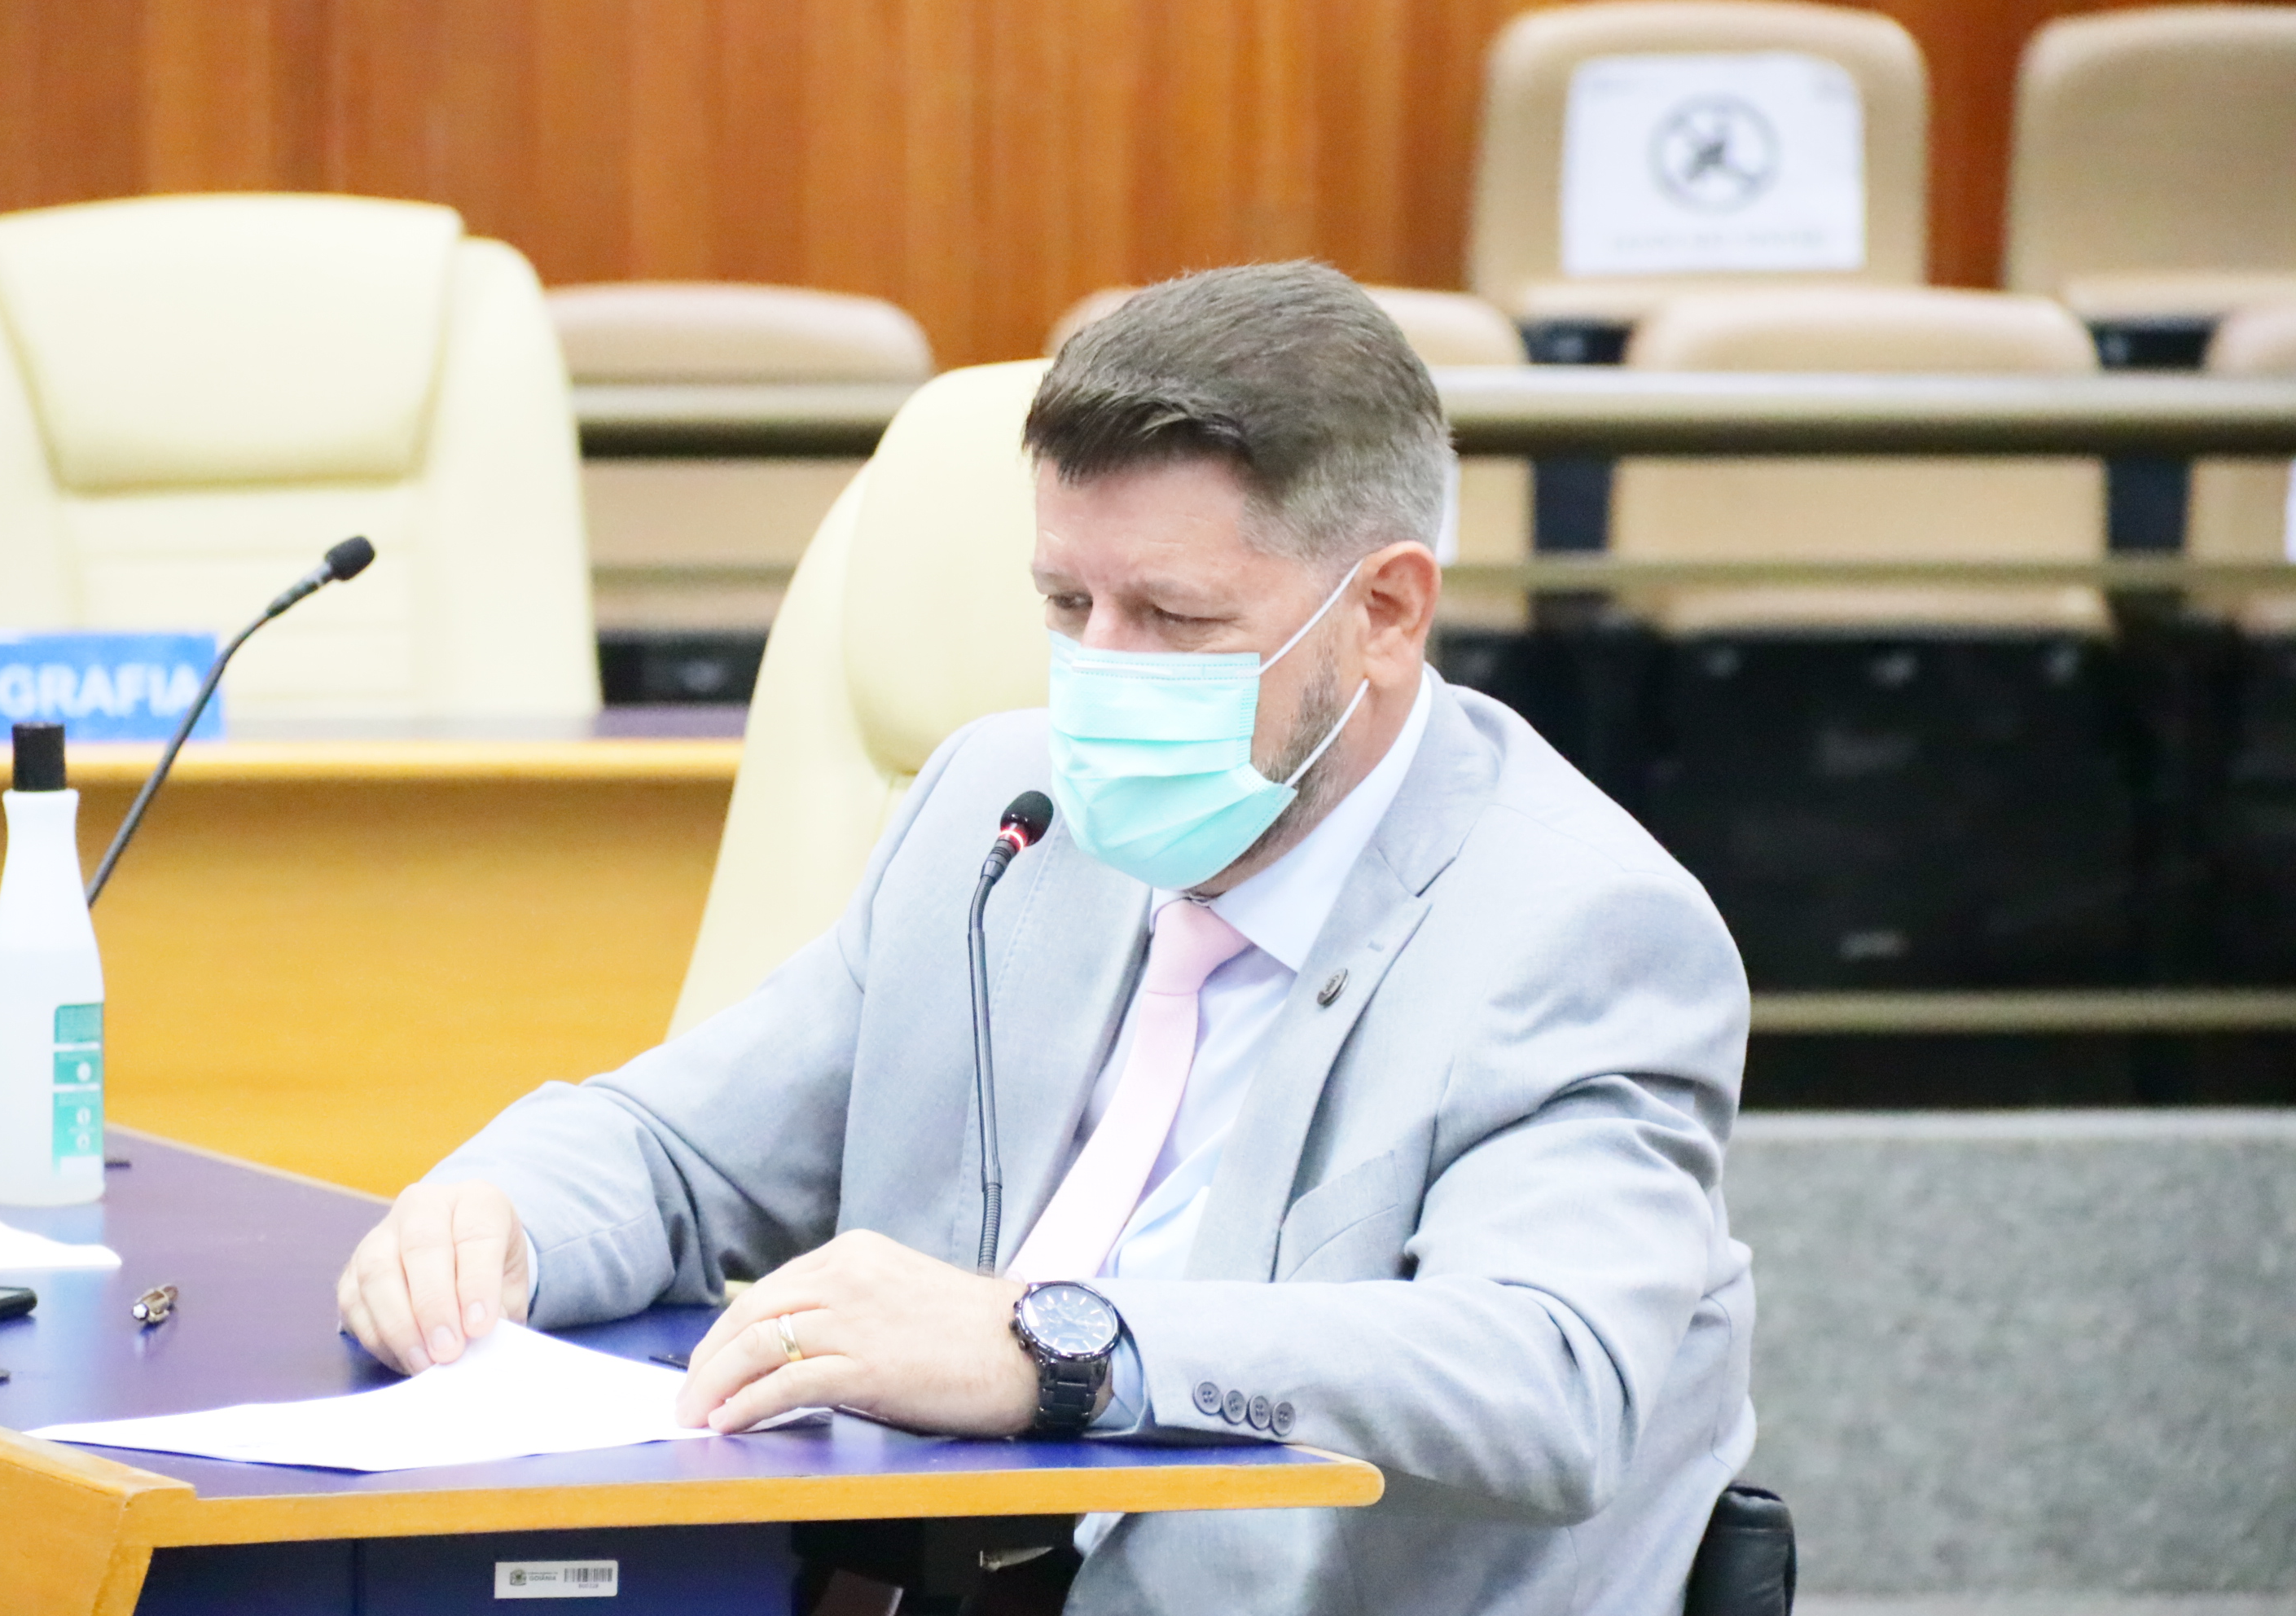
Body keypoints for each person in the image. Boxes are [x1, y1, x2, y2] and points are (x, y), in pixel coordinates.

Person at [336, 261, 1754, 1615]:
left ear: (1385, 612)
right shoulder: (1004, 807)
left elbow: (1550, 1378)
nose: (1102, 675)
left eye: (1176, 616)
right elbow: (678, 1152)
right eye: (1070, 606)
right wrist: (498, 1216)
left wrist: (1059, 1345)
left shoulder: (1581, 927)